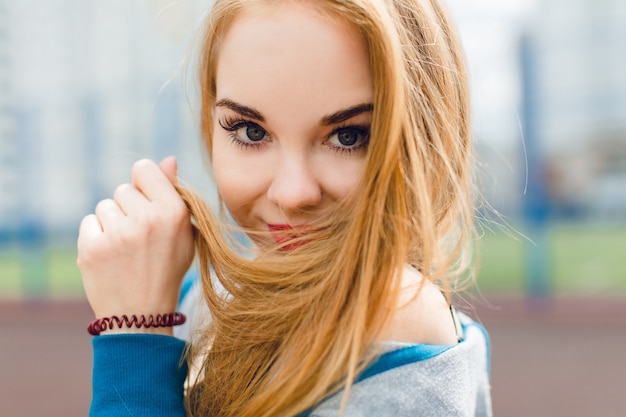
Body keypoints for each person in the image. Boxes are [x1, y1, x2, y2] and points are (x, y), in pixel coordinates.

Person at [77, 0, 492, 416]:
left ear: (425, 134)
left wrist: (133, 334)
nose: (293, 194)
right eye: (250, 131)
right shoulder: (204, 298)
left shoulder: (393, 316)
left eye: (348, 136)